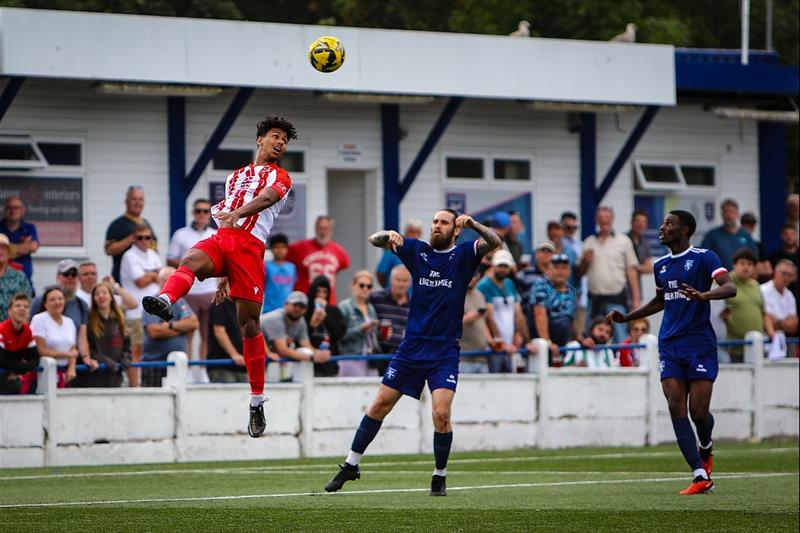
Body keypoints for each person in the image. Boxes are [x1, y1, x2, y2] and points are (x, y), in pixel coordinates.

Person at [324, 209, 501, 496]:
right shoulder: (418, 251)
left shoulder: (465, 254)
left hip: (444, 350)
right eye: (434, 222)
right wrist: (389, 235)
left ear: (455, 230)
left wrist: (474, 224)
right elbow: (373, 240)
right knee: (380, 404)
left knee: (441, 413)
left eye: (443, 222)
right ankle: (350, 465)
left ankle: (439, 476)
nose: (437, 226)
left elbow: (495, 242)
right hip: (412, 347)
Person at [142, 116, 297, 438]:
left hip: (250, 248)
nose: (280, 143)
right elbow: (227, 219)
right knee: (190, 259)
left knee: (249, 325)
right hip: (223, 238)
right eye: (275, 136)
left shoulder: (282, 177)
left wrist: (240, 214)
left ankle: (256, 401)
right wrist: (224, 274)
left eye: (284, 139)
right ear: (260, 140)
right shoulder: (235, 176)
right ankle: (165, 299)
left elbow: (267, 199)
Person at [608, 209, 736, 495]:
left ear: (685, 230)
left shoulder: (705, 257)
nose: (662, 227)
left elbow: (730, 288)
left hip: (700, 343)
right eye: (663, 222)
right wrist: (627, 318)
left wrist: (705, 295)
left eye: (669, 223)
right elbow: (660, 300)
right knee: (675, 403)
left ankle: (706, 446)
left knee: (698, 413)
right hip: (670, 343)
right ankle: (700, 474)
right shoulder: (661, 265)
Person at [579, 206, 640, 343]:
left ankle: (623, 363)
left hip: (616, 298)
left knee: (620, 338)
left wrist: (636, 300)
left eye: (607, 217)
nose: (604, 220)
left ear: (612, 219)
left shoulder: (623, 241)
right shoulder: (589, 241)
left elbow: (631, 271)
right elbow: (581, 272)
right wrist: (585, 262)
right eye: (601, 217)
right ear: (597, 220)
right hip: (594, 300)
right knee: (591, 337)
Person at [167, 198, 218, 360]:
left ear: (210, 214)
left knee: (206, 333)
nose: (202, 214)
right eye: (198, 211)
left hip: (210, 290)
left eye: (205, 211)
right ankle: (187, 368)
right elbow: (170, 259)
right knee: (188, 331)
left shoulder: (215, 234)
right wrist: (194, 263)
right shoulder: (181, 234)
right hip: (188, 290)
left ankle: (202, 368)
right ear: (193, 213)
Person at [30, 259, 94, 376]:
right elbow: (31, 336)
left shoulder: (81, 305)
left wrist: (85, 357)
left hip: (70, 365)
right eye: (66, 274)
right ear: (58, 277)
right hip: (43, 366)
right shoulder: (39, 301)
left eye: (73, 274)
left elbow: (81, 336)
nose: (70, 278)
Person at [120, 224, 162, 387]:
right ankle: (134, 386)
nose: (144, 241)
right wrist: (153, 275)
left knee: (149, 351)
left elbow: (162, 276)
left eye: (147, 237)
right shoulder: (129, 256)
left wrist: (149, 275)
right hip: (135, 312)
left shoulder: (153, 254)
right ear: (134, 238)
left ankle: (145, 383)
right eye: (140, 238)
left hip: (154, 313)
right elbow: (141, 282)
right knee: (135, 350)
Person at [141, 268, 198, 387]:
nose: (170, 284)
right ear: (159, 282)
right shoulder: (152, 303)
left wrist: (170, 325)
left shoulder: (180, 301)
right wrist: (182, 329)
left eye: (172, 280)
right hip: (155, 364)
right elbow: (154, 331)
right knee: (152, 402)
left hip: (177, 365)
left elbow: (194, 323)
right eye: (165, 280)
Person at [477, 250, 528, 373]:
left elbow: (518, 313)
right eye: (500, 265)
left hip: (510, 346)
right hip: (494, 347)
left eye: (506, 266)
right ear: (493, 265)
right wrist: (501, 342)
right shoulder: (484, 285)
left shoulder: (510, 284)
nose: (503, 269)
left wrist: (518, 334)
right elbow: (488, 317)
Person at [260, 291, 331, 381]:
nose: (297, 309)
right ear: (286, 304)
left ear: (305, 310)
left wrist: (320, 354)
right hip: (246, 351)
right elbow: (282, 350)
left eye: (301, 306)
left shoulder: (300, 321)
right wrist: (312, 357)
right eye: (295, 305)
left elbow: (307, 346)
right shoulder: (276, 318)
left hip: (265, 359)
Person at [721, 248, 774, 363]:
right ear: (734, 265)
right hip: (732, 347)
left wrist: (771, 333)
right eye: (742, 263)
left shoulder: (755, 285)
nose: (746, 267)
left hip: (757, 346)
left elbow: (764, 313)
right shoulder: (724, 284)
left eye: (750, 264)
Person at [527, 253, 578, 365]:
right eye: (556, 267)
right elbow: (539, 313)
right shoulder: (541, 285)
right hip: (541, 344)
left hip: (562, 347)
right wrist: (547, 342)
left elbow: (572, 319)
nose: (560, 271)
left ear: (569, 271)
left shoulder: (572, 291)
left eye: (564, 268)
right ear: (549, 270)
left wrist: (579, 339)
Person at [287, 215, 350, 304]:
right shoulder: (299, 248)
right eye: (320, 228)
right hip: (305, 302)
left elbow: (342, 266)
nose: (323, 232)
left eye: (326, 228)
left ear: (331, 230)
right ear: (316, 228)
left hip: (328, 302)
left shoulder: (339, 251)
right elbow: (282, 257)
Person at [30, 287, 84, 388]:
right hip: (44, 373)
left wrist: (72, 368)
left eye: (60, 298)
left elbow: (72, 349)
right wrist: (67, 354)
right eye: (52, 299)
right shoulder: (39, 319)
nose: (57, 302)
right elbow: (41, 350)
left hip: (64, 373)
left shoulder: (69, 322)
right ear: (45, 304)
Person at [105, 185, 158, 283]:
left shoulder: (147, 224)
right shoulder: (117, 225)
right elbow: (109, 250)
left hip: (146, 282)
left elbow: (154, 250)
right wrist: (131, 239)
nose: (137, 202)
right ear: (126, 202)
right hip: (123, 283)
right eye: (134, 199)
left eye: (140, 199)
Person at [83, 282, 131, 387]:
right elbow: (89, 348)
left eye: (104, 293)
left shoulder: (120, 319)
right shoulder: (88, 320)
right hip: (96, 373)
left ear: (111, 297)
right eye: (97, 294)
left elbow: (127, 344)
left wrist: (125, 357)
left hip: (116, 374)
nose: (101, 296)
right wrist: (105, 361)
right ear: (93, 299)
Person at [337, 271, 382, 377]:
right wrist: (360, 329)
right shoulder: (344, 306)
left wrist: (382, 333)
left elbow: (374, 336)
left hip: (370, 358)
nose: (365, 289)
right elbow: (339, 336)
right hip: (351, 357)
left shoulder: (370, 308)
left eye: (369, 286)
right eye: (361, 285)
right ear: (353, 286)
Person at [369, 265, 412, 375]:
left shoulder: (415, 303)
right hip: (381, 356)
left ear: (410, 283)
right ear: (390, 280)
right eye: (398, 280)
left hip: (405, 357)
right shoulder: (375, 298)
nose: (401, 284)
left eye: (405, 280)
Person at [304, 275, 347, 377]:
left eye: (324, 292)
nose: (321, 295)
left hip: (330, 363)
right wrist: (312, 323)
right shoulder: (305, 310)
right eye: (318, 291)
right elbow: (301, 335)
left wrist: (325, 317)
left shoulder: (334, 311)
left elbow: (339, 334)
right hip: (309, 363)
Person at [700, 198, 757, 270]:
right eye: (726, 212)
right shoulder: (712, 235)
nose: (729, 215)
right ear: (722, 214)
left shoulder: (745, 235)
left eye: (731, 212)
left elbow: (754, 258)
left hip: (742, 278)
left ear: (737, 214)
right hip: (720, 278)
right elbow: (703, 257)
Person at [460, 267, 498, 374]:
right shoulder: (454, 294)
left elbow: (483, 322)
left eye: (474, 276)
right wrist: (465, 319)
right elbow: (445, 324)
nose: (471, 279)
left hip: (482, 356)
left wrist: (490, 340)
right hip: (463, 357)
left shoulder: (480, 295)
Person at [515, 241, 555, 339]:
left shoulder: (558, 276)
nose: (546, 254)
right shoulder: (523, 274)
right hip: (529, 320)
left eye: (549, 251)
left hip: (553, 321)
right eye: (543, 251)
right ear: (536, 254)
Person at [0, 293, 38, 394]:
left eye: (26, 306)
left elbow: (35, 358)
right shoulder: (1, 329)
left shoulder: (27, 331)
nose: (22, 309)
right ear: (9, 312)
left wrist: (18, 370)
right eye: (17, 306)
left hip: (10, 376)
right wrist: (19, 368)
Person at [761, 260, 798, 358]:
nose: (786, 277)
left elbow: (794, 326)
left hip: (784, 344)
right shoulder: (763, 291)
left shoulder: (790, 295)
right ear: (775, 272)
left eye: (789, 275)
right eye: (783, 273)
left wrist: (777, 322)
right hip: (765, 343)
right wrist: (785, 323)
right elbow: (765, 321)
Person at [206, 297, 248, 383]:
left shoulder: (243, 305)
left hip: (243, 366)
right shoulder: (219, 304)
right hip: (222, 366)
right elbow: (219, 331)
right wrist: (234, 354)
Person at [375, 218, 423, 289]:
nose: (415, 235)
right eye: (412, 231)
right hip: (393, 296)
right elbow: (380, 273)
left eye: (417, 232)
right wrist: (388, 288)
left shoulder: (422, 252)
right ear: (406, 232)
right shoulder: (393, 248)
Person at [0, 196, 39, 282]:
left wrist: (6, 250)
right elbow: (28, 248)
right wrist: (23, 247)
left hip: (24, 281)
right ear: (4, 210)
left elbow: (33, 247)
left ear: (23, 210)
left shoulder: (30, 228)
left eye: (16, 208)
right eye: (9, 207)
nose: (13, 211)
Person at [0, 234, 33, 322]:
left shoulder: (19, 276)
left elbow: (28, 302)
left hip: (13, 329)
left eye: (3, 248)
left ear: (8, 252)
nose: (0, 251)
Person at [262, 233, 296, 314]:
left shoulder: (292, 267)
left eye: (283, 247)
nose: (280, 250)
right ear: (271, 249)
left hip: (287, 310)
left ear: (287, 249)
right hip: (269, 310)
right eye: (276, 247)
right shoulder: (266, 266)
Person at [739, 211, 772, 283]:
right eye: (748, 223)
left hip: (755, 283)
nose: (751, 226)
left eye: (753, 223)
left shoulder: (758, 245)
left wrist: (756, 268)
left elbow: (768, 270)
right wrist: (757, 267)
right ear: (742, 225)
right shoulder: (737, 242)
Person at [627, 208, 654, 283]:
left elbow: (649, 268)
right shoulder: (622, 240)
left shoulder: (645, 243)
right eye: (638, 221)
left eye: (644, 222)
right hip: (621, 286)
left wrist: (632, 267)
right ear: (631, 222)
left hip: (636, 284)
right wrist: (640, 268)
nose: (641, 224)